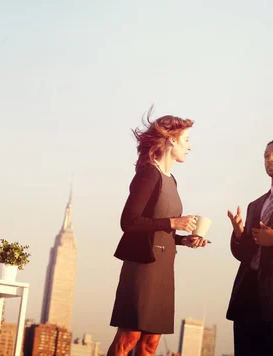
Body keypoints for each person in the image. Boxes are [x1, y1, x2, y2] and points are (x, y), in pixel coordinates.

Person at [107, 111, 208, 356]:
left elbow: (160, 228)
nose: (190, 147)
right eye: (186, 140)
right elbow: (128, 222)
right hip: (143, 266)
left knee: (151, 344)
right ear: (171, 140)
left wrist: (185, 239)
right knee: (128, 338)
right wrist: (174, 221)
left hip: (164, 267)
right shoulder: (148, 174)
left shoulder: (171, 180)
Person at [226, 140, 273, 355]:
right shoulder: (256, 205)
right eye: (266, 156)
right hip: (248, 296)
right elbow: (244, 254)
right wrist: (238, 232)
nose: (269, 160)